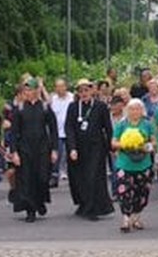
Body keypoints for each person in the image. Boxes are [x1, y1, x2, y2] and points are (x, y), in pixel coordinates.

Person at [10, 77, 58, 223]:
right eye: (26, 89)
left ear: (37, 90)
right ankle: (31, 210)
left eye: (30, 89)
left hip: (42, 148)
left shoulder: (44, 107)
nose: (28, 92)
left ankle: (40, 201)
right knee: (27, 179)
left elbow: (53, 130)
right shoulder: (19, 109)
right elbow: (14, 132)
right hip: (25, 148)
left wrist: (54, 149)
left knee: (42, 178)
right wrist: (14, 152)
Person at [65, 79, 114, 221]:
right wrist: (72, 147)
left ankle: (93, 209)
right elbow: (69, 128)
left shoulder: (100, 107)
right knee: (80, 178)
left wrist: (111, 146)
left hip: (96, 147)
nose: (84, 93)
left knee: (93, 177)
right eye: (81, 91)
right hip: (79, 148)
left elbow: (108, 127)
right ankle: (84, 204)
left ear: (92, 91)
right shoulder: (73, 107)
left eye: (86, 90)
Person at [112, 98, 154, 232]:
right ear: (127, 111)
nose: (134, 112)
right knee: (124, 191)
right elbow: (113, 142)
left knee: (141, 192)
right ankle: (125, 219)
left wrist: (146, 146)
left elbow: (154, 142)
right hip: (124, 163)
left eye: (137, 109)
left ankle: (136, 217)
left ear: (142, 111)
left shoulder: (147, 124)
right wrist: (125, 144)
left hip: (143, 163)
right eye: (131, 109)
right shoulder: (122, 124)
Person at [49, 78, 74, 187]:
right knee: (56, 154)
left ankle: (72, 176)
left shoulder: (71, 98)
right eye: (57, 87)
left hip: (69, 131)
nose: (59, 89)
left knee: (70, 154)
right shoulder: (53, 99)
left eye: (61, 86)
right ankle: (54, 176)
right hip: (57, 132)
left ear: (65, 87)